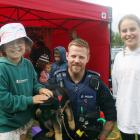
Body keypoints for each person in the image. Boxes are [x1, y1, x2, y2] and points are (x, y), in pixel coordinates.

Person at [46, 38, 116, 140]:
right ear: (67, 56)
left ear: (87, 58)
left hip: (88, 136)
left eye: (81, 57)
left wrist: (102, 137)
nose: (77, 60)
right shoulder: (55, 80)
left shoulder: (96, 84)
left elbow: (111, 114)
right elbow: (42, 113)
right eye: (73, 56)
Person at [0, 23, 53, 140]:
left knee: (39, 135)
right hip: (8, 127)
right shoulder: (2, 68)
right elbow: (4, 101)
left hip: (29, 120)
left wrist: (40, 88)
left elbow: (34, 83)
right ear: (3, 47)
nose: (16, 46)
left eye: (20, 41)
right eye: (10, 42)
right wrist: (31, 100)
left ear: (25, 44)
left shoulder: (28, 64)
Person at [112, 14, 140, 140]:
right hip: (125, 114)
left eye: (132, 29)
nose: (128, 33)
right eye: (124, 30)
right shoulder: (118, 57)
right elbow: (116, 86)